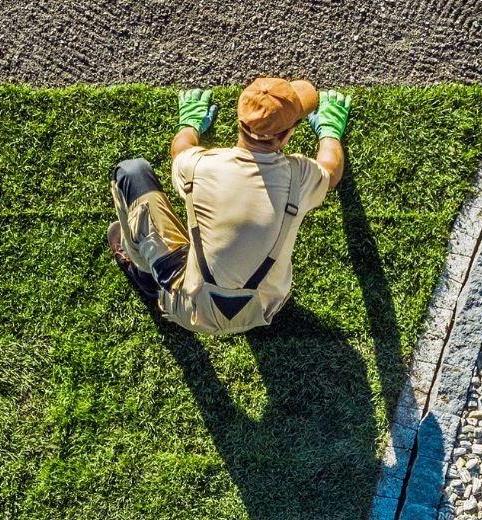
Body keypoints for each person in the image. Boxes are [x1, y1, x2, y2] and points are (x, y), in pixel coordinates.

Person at [108, 78, 351, 335]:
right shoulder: (299, 177)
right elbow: (331, 170)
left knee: (132, 171)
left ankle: (146, 276)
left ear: (239, 121)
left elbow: (181, 148)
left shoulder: (198, 165)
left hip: (191, 309)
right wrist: (329, 132)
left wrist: (190, 124)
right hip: (264, 308)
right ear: (286, 134)